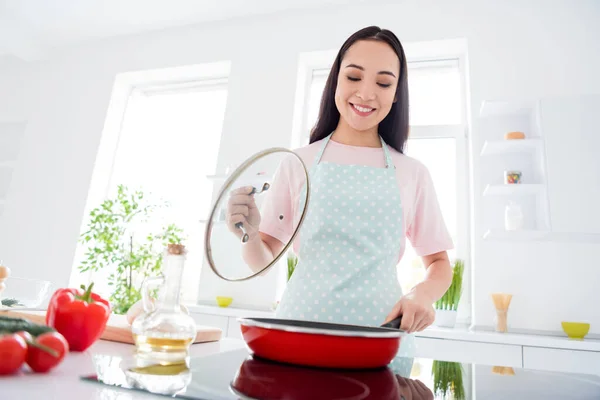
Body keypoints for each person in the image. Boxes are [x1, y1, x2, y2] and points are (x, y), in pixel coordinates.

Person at [226, 26, 454, 363]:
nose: (365, 93)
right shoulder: (298, 162)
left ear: (396, 94)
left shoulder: (412, 172)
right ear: (336, 81)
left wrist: (421, 295)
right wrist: (248, 232)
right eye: (354, 77)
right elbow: (262, 261)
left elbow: (438, 264)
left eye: (383, 83)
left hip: (381, 342)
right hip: (299, 335)